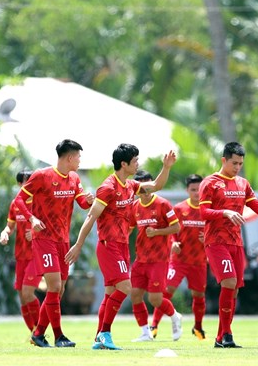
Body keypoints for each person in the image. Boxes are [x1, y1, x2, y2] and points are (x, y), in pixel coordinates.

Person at [65, 143, 177, 351]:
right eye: (135, 161)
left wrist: (167, 167)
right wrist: (78, 245)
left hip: (122, 246)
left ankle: (99, 338)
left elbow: (156, 186)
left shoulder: (130, 185)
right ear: (124, 164)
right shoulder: (108, 188)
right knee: (125, 288)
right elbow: (90, 217)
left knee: (110, 293)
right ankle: (105, 333)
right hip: (109, 246)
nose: (138, 164)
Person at [199, 142, 258, 348]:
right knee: (229, 282)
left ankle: (220, 337)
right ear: (224, 160)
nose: (237, 167)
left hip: (237, 244)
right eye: (234, 163)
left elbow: (257, 206)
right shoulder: (210, 183)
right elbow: (204, 212)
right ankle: (227, 334)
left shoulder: (243, 183)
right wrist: (225, 212)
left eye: (240, 163)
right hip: (216, 242)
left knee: (234, 290)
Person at [14, 139, 93, 348]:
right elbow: (19, 200)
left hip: (63, 241)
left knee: (59, 290)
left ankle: (38, 334)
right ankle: (59, 337)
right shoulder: (42, 175)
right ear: (70, 157)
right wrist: (32, 219)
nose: (80, 160)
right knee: (55, 286)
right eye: (78, 157)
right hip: (44, 239)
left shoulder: (74, 178)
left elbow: (82, 203)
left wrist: (89, 200)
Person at [150, 174, 208, 340]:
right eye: (193, 189)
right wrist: (172, 242)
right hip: (179, 260)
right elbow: (171, 230)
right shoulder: (179, 209)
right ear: (187, 190)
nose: (196, 193)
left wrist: (207, 239)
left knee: (199, 295)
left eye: (199, 189)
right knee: (166, 291)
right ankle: (154, 325)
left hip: (199, 261)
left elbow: (214, 232)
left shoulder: (207, 210)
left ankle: (198, 327)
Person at [129, 170, 182, 343]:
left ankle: (175, 316)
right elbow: (129, 228)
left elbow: (176, 227)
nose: (146, 189)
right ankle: (145, 333)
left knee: (155, 299)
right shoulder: (134, 207)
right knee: (135, 295)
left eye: (149, 184)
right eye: (142, 186)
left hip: (159, 259)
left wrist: (157, 232)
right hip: (140, 260)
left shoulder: (163, 204)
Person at [0, 170, 42, 333]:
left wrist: (36, 233)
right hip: (20, 255)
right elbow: (10, 226)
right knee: (22, 296)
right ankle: (33, 332)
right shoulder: (15, 204)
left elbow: (50, 226)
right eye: (26, 182)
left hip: (36, 255)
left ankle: (40, 330)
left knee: (27, 292)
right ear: (20, 184)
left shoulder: (40, 201)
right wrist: (5, 233)